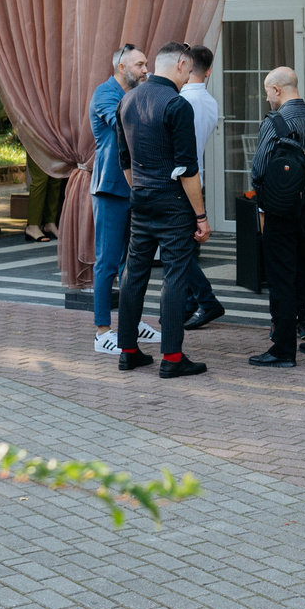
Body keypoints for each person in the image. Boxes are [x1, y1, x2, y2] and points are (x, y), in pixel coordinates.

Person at [110, 44, 210, 378]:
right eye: (188, 70)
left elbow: (125, 161)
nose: (187, 78)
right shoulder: (176, 105)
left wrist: (140, 189)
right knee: (175, 276)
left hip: (141, 199)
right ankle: (172, 357)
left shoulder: (127, 100)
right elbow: (187, 168)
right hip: (173, 205)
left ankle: (128, 350)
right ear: (180, 65)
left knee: (134, 274)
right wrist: (200, 215)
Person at [248, 66, 305, 365]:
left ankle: (284, 349)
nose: (266, 98)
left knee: (282, 274)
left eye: (267, 91)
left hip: (281, 208)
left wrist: (263, 199)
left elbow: (258, 169)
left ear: (277, 90)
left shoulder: (275, 122)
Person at [88, 45, 145, 342]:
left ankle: (130, 325)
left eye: (147, 64)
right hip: (109, 189)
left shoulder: (133, 95)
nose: (146, 70)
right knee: (107, 262)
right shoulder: (105, 93)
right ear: (122, 68)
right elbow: (123, 124)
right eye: (140, 65)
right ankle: (102, 332)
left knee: (130, 264)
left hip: (132, 189)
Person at [169, 42, 226, 332]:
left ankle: (205, 299)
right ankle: (188, 304)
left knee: (176, 250)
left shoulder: (180, 101)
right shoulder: (211, 102)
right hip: (197, 178)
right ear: (210, 70)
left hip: (179, 181)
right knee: (186, 249)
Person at [19, 158, 61, 243]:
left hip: (55, 144)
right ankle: (32, 225)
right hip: (37, 144)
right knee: (40, 178)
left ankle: (50, 223)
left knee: (55, 178)